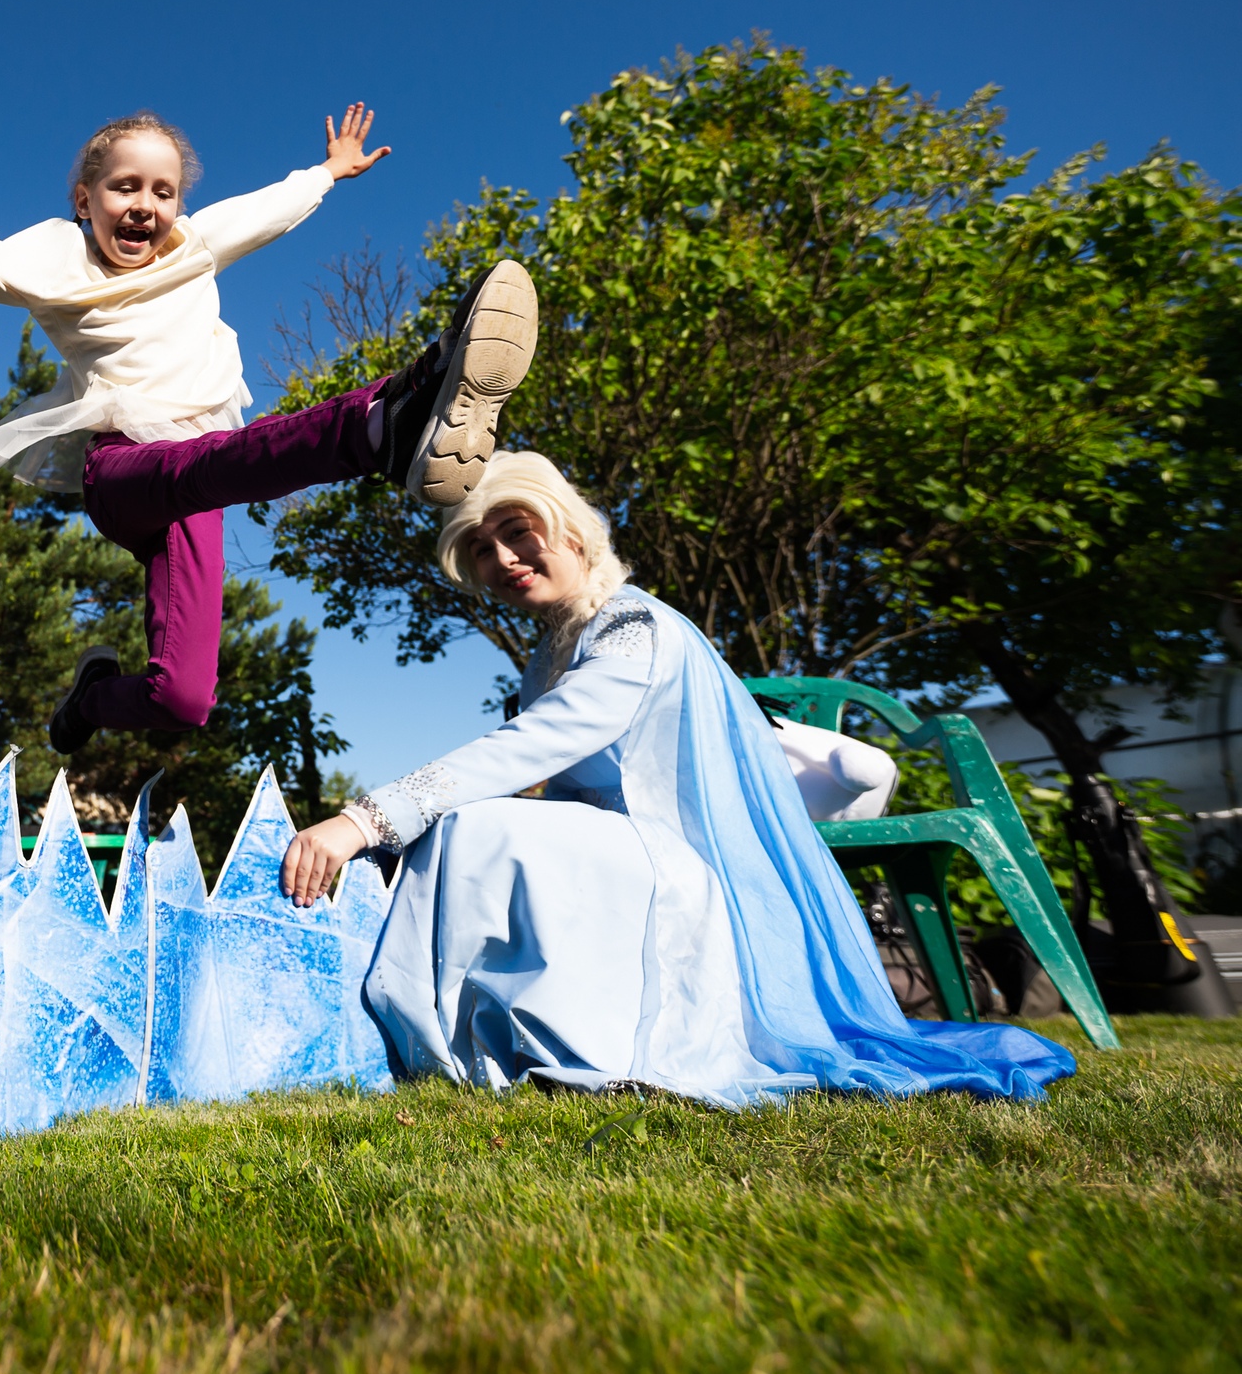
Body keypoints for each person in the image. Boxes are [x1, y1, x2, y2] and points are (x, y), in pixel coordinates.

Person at [280, 452, 1075, 1105]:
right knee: (474, 830)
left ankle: (548, 1050)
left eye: (518, 534)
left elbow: (547, 740)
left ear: (575, 530)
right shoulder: (552, 651)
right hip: (625, 860)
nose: (503, 561)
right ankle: (457, 1043)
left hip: (690, 875)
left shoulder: (634, 626)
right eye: (482, 551)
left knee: (477, 828)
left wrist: (369, 817)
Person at [0, 107, 538, 753]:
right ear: (83, 199)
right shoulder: (49, 263)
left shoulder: (190, 249)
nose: (144, 207)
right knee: (206, 465)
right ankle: (381, 420)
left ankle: (91, 702)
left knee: (184, 699)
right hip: (122, 469)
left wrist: (326, 173)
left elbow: (255, 216)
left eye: (163, 192)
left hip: (205, 476)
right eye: (124, 188)